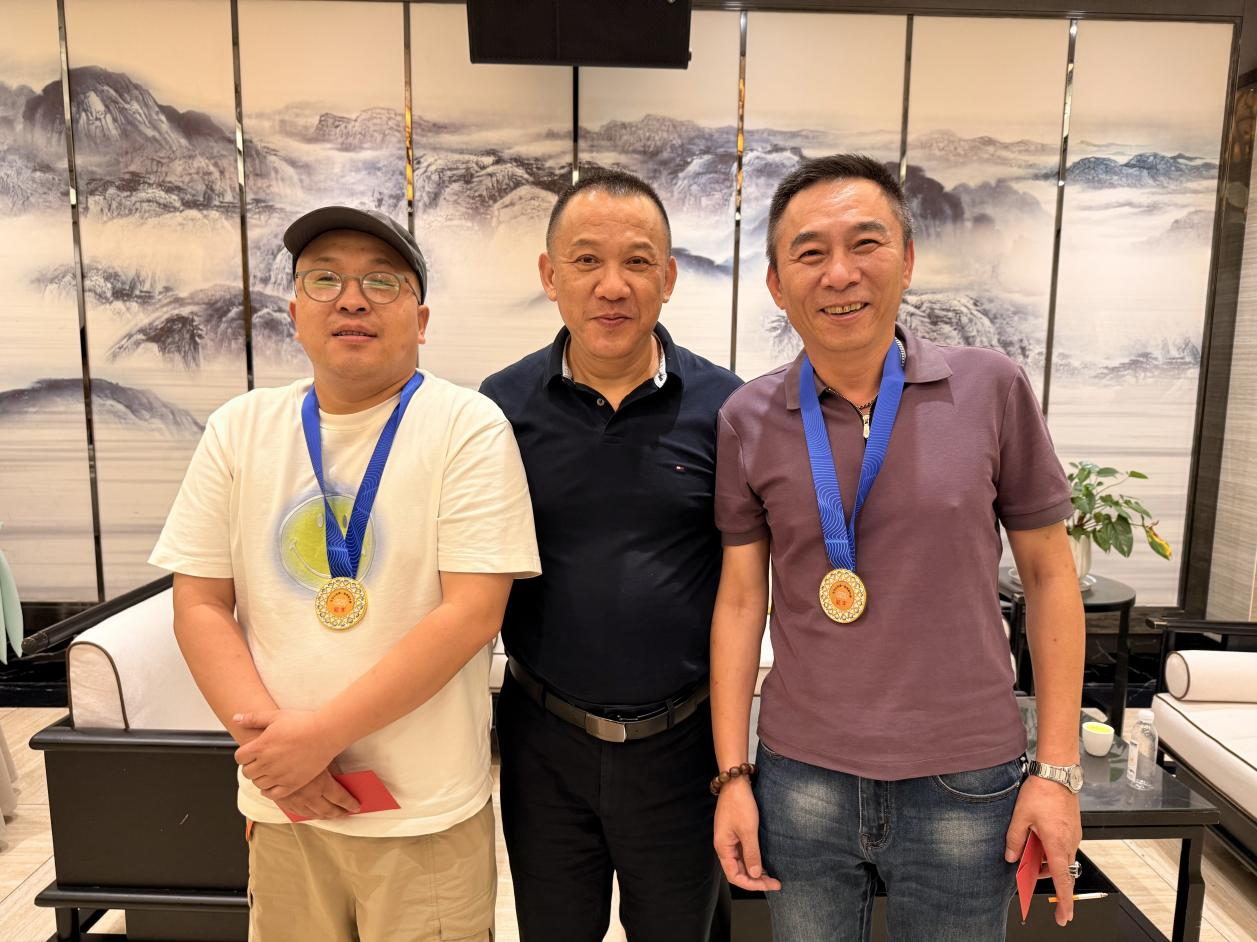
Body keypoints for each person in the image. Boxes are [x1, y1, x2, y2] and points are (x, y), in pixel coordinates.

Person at [710, 154, 1086, 940]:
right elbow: (742, 600)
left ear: (907, 259)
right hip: (802, 776)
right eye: (809, 253)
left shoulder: (990, 388)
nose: (839, 274)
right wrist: (733, 774)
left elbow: (1050, 577)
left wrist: (1055, 772)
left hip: (965, 778)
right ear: (776, 283)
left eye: (865, 244)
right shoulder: (747, 418)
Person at [150, 206, 540, 942]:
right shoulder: (240, 428)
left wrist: (317, 738)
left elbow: (472, 614)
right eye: (324, 280)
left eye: (381, 282)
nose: (352, 300)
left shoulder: (467, 426)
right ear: (294, 314)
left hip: (420, 811)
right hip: (283, 806)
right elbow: (199, 603)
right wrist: (281, 759)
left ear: (420, 320)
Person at [479, 170, 742, 942]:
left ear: (668, 278)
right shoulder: (499, 408)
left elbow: (745, 584)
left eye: (636, 262)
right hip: (543, 740)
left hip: (682, 745)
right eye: (587, 260)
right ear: (549, 275)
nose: (612, 286)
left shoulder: (727, 407)